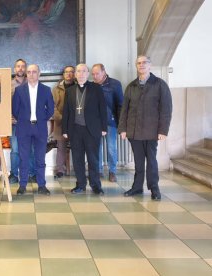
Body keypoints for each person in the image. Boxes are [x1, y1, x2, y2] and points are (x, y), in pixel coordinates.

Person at [119, 55, 172, 201]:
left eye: (144, 63)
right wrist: (123, 129)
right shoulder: (131, 86)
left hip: (151, 131)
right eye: (139, 63)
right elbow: (125, 110)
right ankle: (137, 187)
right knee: (138, 161)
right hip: (134, 131)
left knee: (152, 161)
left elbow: (166, 110)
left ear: (150, 65)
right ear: (136, 66)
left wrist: (163, 130)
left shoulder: (160, 85)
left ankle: (154, 188)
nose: (141, 65)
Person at [62, 63, 107, 195]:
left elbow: (102, 109)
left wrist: (103, 127)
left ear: (88, 74)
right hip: (75, 130)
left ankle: (96, 185)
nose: (81, 74)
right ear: (75, 74)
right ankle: (80, 184)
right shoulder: (70, 91)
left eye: (83, 71)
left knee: (93, 159)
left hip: (92, 130)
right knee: (77, 159)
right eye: (78, 71)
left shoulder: (96, 88)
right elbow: (66, 112)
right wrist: (65, 129)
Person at [12, 64, 54, 195]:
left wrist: (41, 119)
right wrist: (24, 119)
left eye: (34, 72)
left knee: (40, 158)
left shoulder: (46, 90)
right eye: (29, 72)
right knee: (23, 158)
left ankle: (42, 185)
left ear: (39, 74)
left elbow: (51, 109)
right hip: (24, 127)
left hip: (40, 127)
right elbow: (15, 110)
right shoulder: (19, 90)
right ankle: (22, 185)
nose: (31, 74)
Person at [91, 63, 124, 182]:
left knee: (111, 148)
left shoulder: (115, 84)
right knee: (96, 148)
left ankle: (112, 172)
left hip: (111, 122)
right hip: (95, 123)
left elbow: (121, 105)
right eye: (93, 74)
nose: (95, 76)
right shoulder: (91, 86)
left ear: (104, 72)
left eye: (97, 73)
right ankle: (98, 171)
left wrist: (121, 124)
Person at [9, 58, 36, 184]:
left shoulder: (32, 83)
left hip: (29, 123)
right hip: (14, 123)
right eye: (18, 66)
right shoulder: (8, 84)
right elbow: (4, 104)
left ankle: (31, 173)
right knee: (15, 150)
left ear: (26, 68)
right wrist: (9, 116)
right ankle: (13, 175)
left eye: (23, 66)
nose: (20, 68)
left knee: (30, 149)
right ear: (15, 69)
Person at [52, 65, 75, 178]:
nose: (69, 74)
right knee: (61, 147)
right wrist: (61, 117)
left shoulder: (78, 87)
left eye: (71, 72)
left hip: (76, 123)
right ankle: (60, 170)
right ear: (63, 74)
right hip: (60, 123)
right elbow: (52, 106)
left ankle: (78, 169)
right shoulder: (56, 89)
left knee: (77, 147)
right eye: (66, 72)